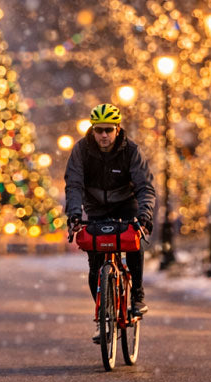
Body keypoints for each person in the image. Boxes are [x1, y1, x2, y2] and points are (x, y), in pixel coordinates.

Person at [63, 103, 157, 344]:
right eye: (98, 130)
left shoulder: (131, 151)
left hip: (126, 204)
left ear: (117, 129)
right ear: (92, 130)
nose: (103, 135)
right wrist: (74, 214)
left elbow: (145, 186)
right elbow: (73, 184)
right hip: (95, 208)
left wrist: (144, 215)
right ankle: (103, 316)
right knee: (95, 265)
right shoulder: (81, 150)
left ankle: (136, 294)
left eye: (108, 130)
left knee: (134, 242)